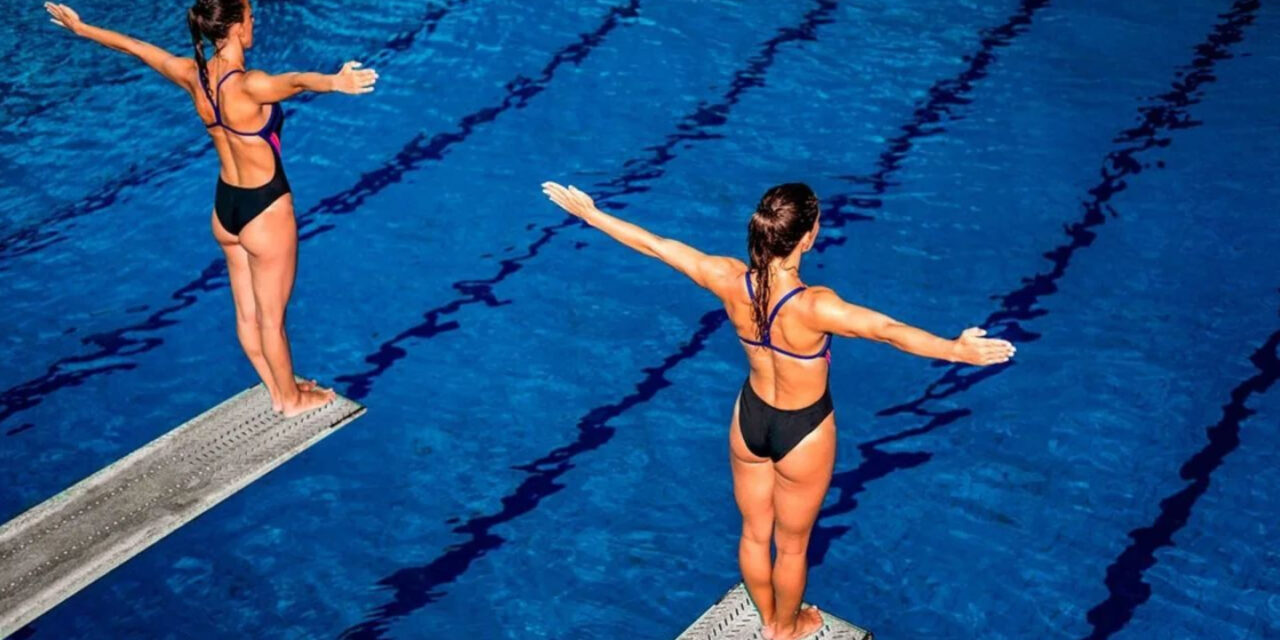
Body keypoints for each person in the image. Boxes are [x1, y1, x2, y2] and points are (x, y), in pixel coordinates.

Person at [541, 181, 1015, 639]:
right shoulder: (815, 307)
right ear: (807, 237)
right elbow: (887, 330)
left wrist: (592, 214)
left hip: (749, 418)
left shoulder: (730, 280)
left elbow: (658, 246)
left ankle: (765, 614)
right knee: (791, 545)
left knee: (753, 532)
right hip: (802, 431)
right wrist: (956, 351)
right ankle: (785, 628)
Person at [45, 1, 378, 416]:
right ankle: (290, 400)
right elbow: (294, 82)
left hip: (226, 210)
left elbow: (137, 48)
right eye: (251, 17)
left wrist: (82, 29)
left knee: (246, 312)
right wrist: (335, 82)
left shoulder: (193, 76)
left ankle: (277, 388)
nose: (255, 23)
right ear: (237, 28)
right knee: (271, 319)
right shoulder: (250, 84)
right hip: (265, 209)